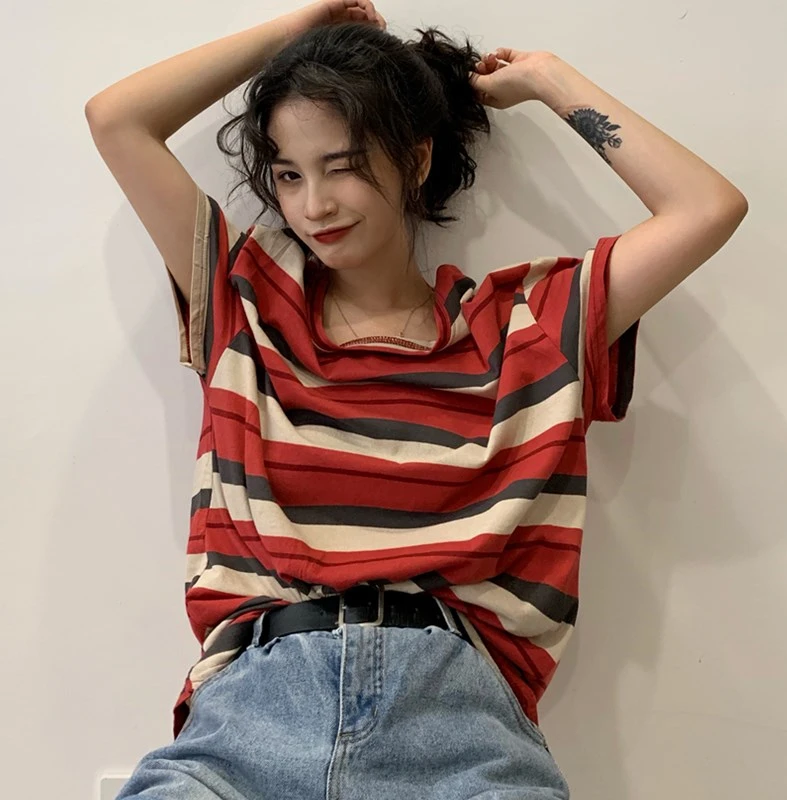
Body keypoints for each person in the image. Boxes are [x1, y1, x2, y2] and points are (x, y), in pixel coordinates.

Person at [85, 1, 748, 797]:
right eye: (289, 175)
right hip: (252, 717)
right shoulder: (245, 299)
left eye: (343, 166)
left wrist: (547, 78)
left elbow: (707, 207)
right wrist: (297, 32)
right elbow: (117, 119)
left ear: (416, 159)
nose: (313, 206)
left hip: (458, 728)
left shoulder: (528, 325)